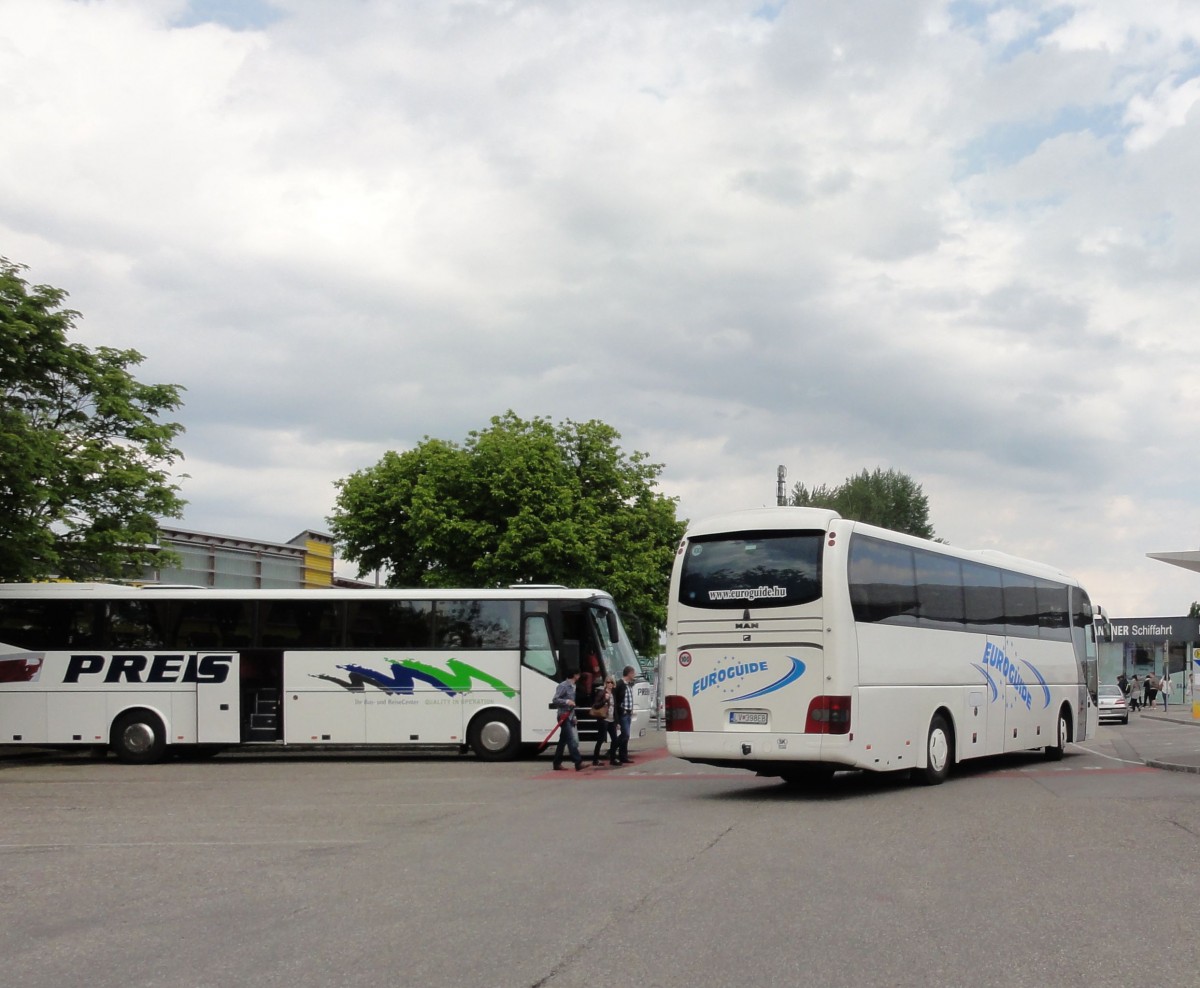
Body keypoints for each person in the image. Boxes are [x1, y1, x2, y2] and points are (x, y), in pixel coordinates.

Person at [551, 671, 585, 771]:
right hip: (563, 716)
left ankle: (556, 763)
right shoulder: (563, 686)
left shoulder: (573, 686)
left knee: (563, 741)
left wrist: (574, 717)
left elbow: (572, 705)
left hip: (569, 716)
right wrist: (567, 701)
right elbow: (555, 699)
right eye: (578, 674)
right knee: (571, 739)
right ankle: (578, 762)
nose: (579, 676)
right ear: (575, 675)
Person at [612, 665, 637, 766]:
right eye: (633, 673)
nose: (634, 675)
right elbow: (616, 700)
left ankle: (623, 756)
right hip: (623, 713)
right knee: (625, 734)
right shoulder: (620, 684)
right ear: (629, 673)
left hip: (628, 713)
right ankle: (613, 751)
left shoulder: (629, 684)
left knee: (626, 735)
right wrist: (620, 711)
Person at [591, 675, 617, 766]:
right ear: (605, 683)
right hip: (603, 719)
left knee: (615, 739)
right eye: (608, 682)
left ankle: (613, 759)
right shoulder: (602, 693)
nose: (609, 684)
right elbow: (596, 705)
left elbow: (615, 709)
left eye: (611, 682)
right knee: (601, 739)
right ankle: (595, 759)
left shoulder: (613, 694)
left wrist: (617, 722)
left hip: (611, 719)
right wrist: (605, 700)